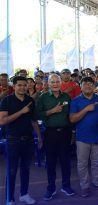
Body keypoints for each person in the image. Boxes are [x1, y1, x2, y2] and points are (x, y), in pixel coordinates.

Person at [0, 76, 42, 205]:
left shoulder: (30, 100)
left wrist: (39, 137)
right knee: (12, 170)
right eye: (19, 85)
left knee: (26, 169)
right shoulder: (7, 100)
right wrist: (21, 112)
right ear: (14, 86)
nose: (23, 87)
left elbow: (33, 121)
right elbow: (2, 121)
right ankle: (10, 198)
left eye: (25, 85)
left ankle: (24, 194)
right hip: (13, 140)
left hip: (28, 139)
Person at [36, 74, 75, 201]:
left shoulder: (66, 97)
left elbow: (71, 115)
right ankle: (51, 188)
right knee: (51, 163)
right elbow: (38, 115)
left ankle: (66, 186)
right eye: (52, 82)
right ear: (48, 83)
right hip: (50, 134)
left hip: (65, 133)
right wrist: (52, 111)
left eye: (57, 82)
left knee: (65, 162)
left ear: (60, 83)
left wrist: (72, 132)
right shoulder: (43, 97)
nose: (55, 84)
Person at [69, 77, 98, 197]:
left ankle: (97, 182)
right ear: (80, 86)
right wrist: (86, 109)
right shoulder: (75, 101)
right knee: (82, 163)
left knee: (97, 162)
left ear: (94, 86)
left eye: (91, 84)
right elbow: (72, 119)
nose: (88, 86)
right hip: (82, 138)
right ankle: (84, 186)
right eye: (85, 84)